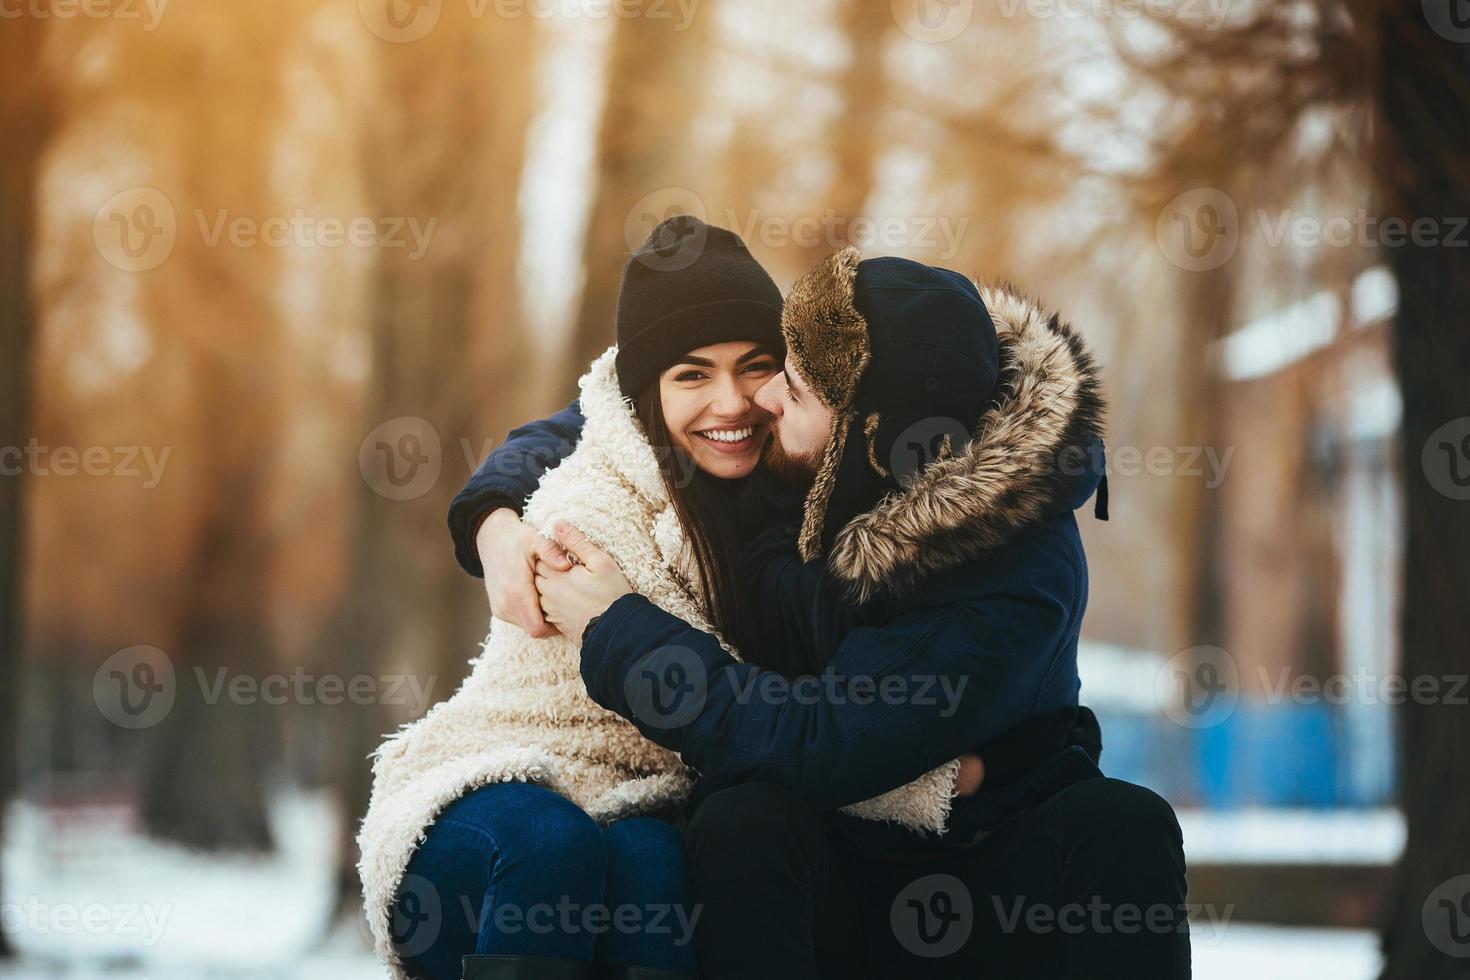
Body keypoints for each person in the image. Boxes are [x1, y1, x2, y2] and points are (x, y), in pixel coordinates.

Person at [478, 247, 1190, 978]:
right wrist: (491, 514)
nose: (761, 401)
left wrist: (619, 629)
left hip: (987, 871)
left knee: (1124, 825)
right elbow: (620, 411)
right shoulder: (813, 458)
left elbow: (819, 740)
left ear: (868, 444)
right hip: (831, 865)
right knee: (743, 821)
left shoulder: (1015, 573)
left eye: (794, 389)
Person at [358, 218, 962, 980]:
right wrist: (921, 780)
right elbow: (719, 709)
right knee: (555, 844)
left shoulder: (790, 503)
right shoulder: (595, 513)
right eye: (693, 376)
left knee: (656, 861)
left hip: (639, 798)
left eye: (754, 367)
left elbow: (769, 710)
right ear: (647, 391)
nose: (732, 402)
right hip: (500, 786)